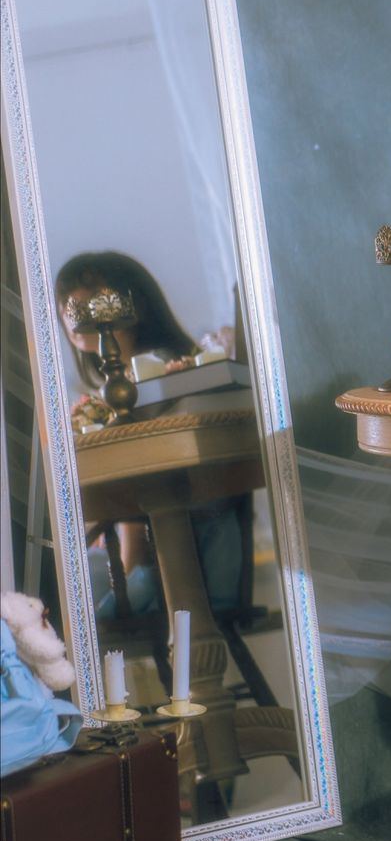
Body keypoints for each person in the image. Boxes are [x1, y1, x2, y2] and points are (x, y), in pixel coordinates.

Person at [54, 251, 243, 619]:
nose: (71, 304)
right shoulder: (112, 388)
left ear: (133, 303)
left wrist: (126, 566)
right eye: (65, 298)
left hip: (187, 555)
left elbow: (141, 478)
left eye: (91, 290)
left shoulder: (167, 376)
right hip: (155, 550)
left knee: (96, 597)